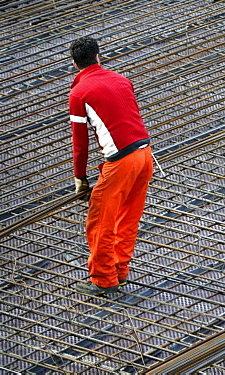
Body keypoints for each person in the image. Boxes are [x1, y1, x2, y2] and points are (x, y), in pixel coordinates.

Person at [68, 36, 154, 296]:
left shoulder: (79, 93)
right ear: (98, 56)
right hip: (145, 154)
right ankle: (120, 272)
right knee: (127, 218)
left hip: (121, 163)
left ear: (74, 64)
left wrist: (80, 178)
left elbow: (80, 143)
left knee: (100, 222)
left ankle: (104, 280)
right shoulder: (122, 80)